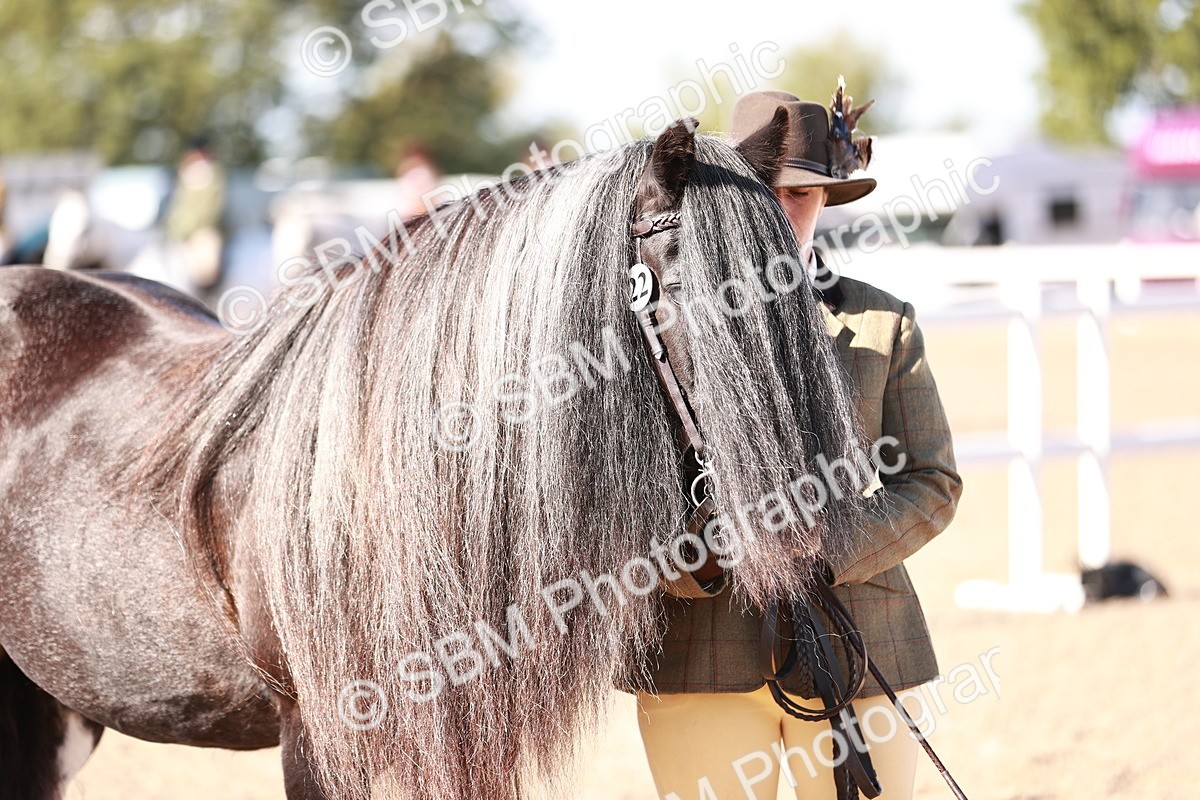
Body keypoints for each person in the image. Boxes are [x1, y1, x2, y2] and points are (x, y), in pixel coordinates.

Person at [633, 88, 963, 800]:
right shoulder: (659, 335)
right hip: (703, 656)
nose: (786, 212)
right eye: (765, 192)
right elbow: (623, 499)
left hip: (862, 640)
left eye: (806, 194)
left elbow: (933, 483)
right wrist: (717, 553)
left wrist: (826, 547)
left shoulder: (882, 323)